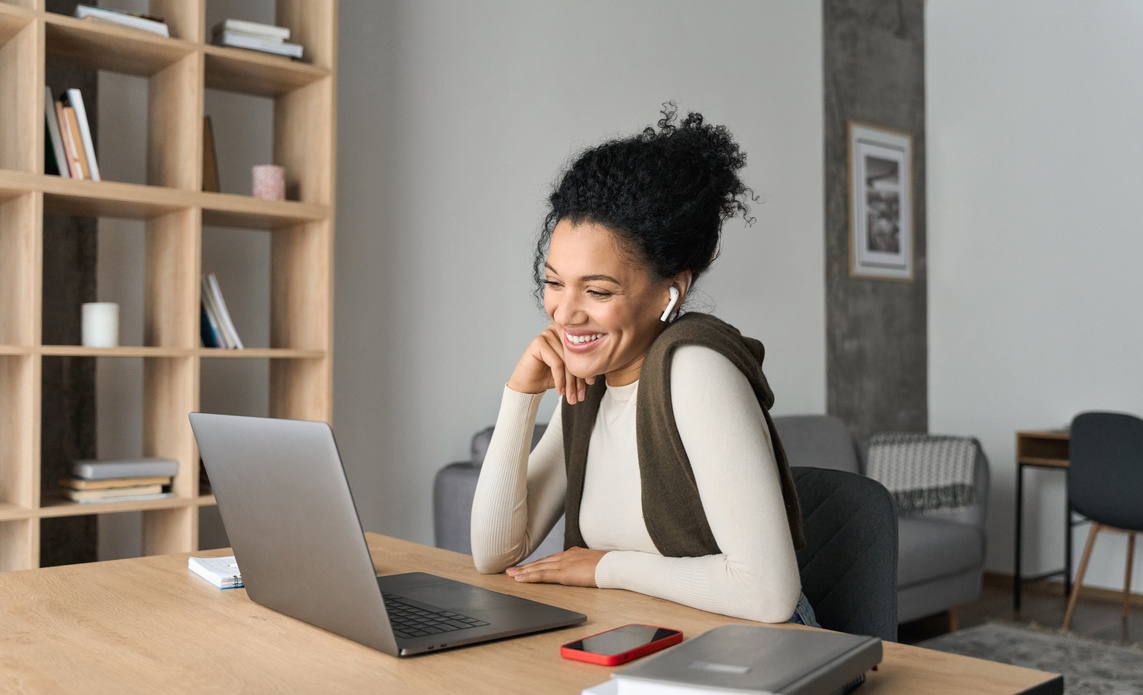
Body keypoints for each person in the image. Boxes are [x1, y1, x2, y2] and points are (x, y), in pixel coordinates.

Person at [470, 106, 817, 626]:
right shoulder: (590, 384)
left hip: (752, 656)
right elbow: (495, 553)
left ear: (670, 292)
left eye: (599, 290)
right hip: (640, 642)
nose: (565, 312)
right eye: (554, 282)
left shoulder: (696, 368)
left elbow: (767, 595)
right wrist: (521, 394)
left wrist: (608, 568)